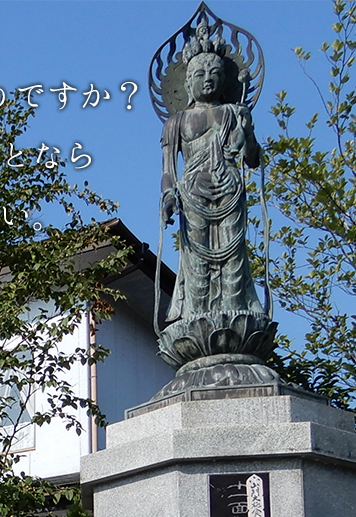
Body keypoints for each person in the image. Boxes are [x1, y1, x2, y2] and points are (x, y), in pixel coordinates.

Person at [160, 27, 263, 325]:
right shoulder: (176, 122)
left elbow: (252, 158)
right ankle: (197, 314)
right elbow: (168, 171)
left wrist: (248, 130)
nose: (207, 78)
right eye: (199, 74)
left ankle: (235, 312)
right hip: (193, 192)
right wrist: (168, 196)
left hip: (229, 188)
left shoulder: (233, 112)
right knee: (196, 258)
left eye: (214, 72)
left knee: (233, 255)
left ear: (225, 79)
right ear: (187, 82)